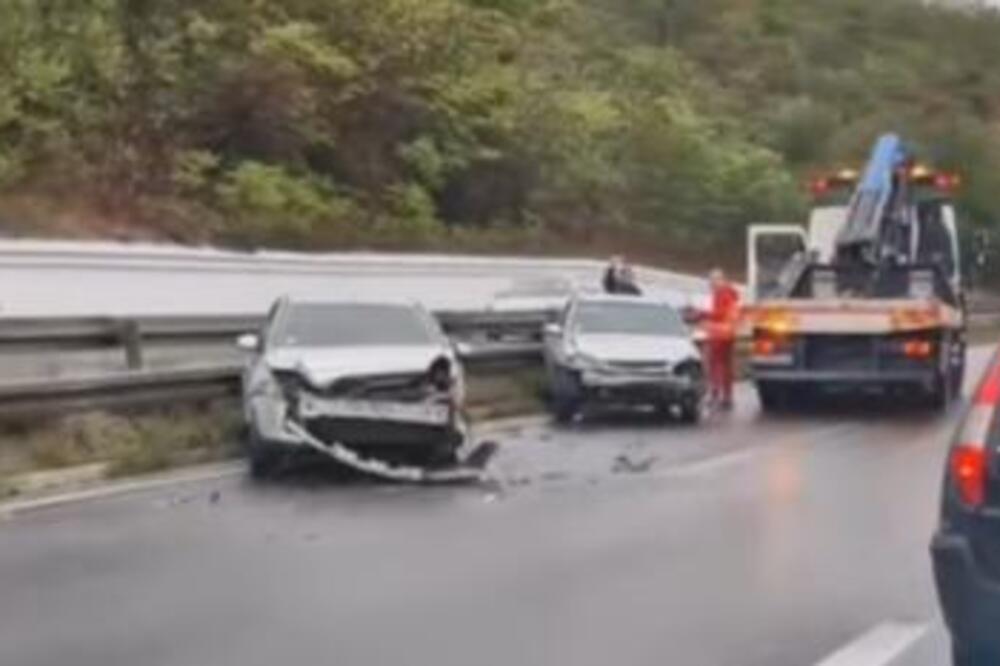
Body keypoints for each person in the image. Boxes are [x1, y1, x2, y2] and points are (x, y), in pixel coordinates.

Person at [705, 268, 740, 410]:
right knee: (725, 366)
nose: (711, 283)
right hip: (727, 333)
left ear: (722, 279)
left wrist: (703, 314)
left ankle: (716, 394)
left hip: (719, 334)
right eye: (711, 279)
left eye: (713, 279)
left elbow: (719, 313)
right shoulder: (730, 293)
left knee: (715, 365)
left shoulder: (722, 293)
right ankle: (727, 396)